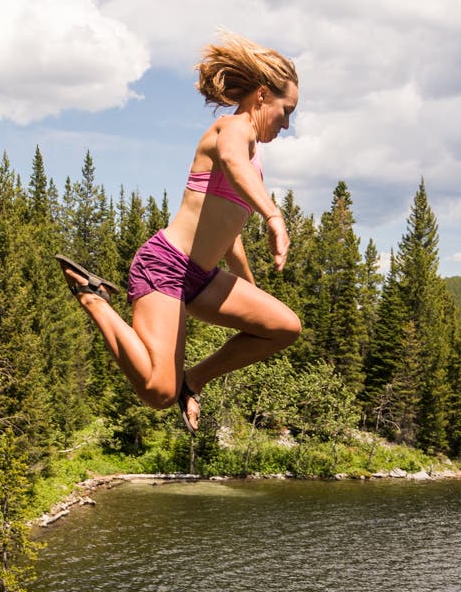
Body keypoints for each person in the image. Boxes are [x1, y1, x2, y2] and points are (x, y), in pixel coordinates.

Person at [56, 32, 302, 432]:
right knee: (157, 392)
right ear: (261, 96)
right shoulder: (232, 129)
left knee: (283, 328)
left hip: (199, 278)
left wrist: (250, 292)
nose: (287, 124)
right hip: (165, 266)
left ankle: (195, 380)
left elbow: (228, 235)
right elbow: (231, 161)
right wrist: (274, 217)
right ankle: (94, 297)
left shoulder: (252, 156)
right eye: (285, 110)